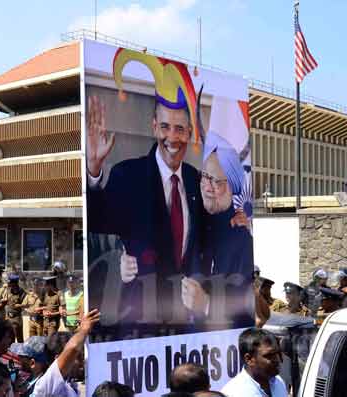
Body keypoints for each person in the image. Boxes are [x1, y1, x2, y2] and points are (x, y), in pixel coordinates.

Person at [87, 48, 203, 335]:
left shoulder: (197, 180)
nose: (172, 138)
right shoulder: (128, 174)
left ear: (189, 132)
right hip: (140, 322)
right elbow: (98, 223)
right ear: (154, 127)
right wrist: (93, 170)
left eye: (179, 129)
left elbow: (205, 243)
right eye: (165, 127)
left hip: (186, 323)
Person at [174, 131, 253, 330]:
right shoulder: (192, 217)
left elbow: (244, 312)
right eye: (205, 177)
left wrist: (207, 305)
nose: (207, 187)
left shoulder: (241, 237)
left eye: (216, 181)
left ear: (232, 186)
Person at [31, 309, 100, 397]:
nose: (81, 362)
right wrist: (84, 329)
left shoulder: (69, 383)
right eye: (76, 358)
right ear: (58, 358)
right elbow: (73, 347)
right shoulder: (47, 384)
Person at [221, 328, 287, 397]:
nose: (276, 359)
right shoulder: (234, 393)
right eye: (269, 356)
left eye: (277, 353)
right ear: (249, 359)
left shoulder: (279, 382)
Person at [4, 274, 26, 343]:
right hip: (8, 317)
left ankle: (20, 353)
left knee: (19, 338)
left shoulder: (21, 292)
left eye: (9, 282)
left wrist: (18, 305)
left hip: (16, 318)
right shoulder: (8, 290)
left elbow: (25, 304)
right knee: (10, 337)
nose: (8, 283)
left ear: (14, 283)